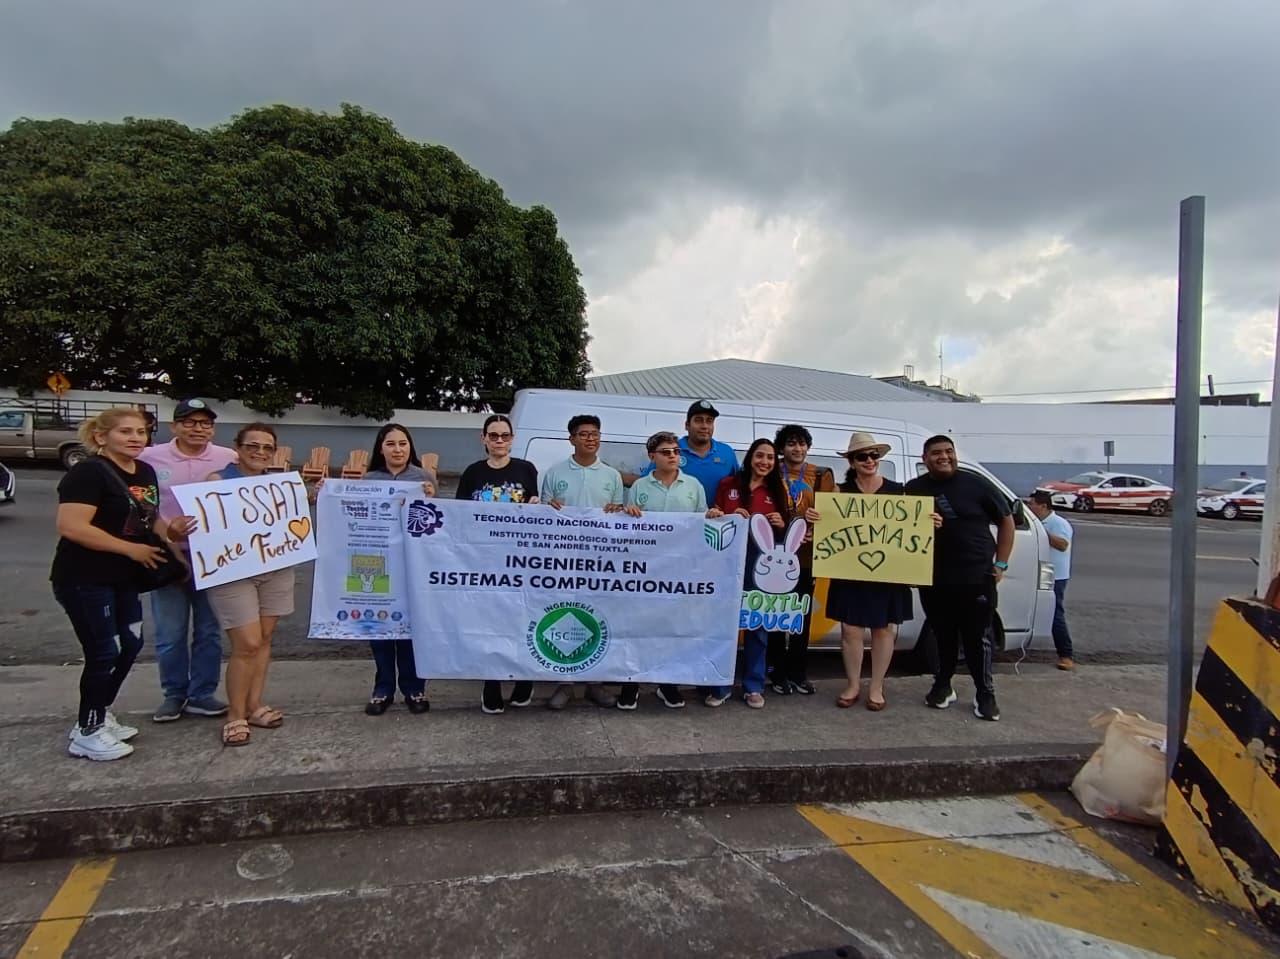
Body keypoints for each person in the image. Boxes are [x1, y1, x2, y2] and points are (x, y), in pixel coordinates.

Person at [52, 408, 186, 760]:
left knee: (129, 644)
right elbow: (72, 526)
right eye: (125, 431)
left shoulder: (144, 470)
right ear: (101, 436)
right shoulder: (88, 473)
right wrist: (131, 549)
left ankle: (99, 711)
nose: (135, 438)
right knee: (103, 651)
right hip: (84, 578)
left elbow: (149, 517)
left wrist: (174, 543)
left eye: (141, 432)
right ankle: (88, 729)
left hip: (124, 576)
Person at [138, 399, 236, 723]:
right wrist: (167, 532)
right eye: (190, 422)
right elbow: (140, 503)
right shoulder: (148, 458)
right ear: (174, 426)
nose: (198, 429)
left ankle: (202, 693)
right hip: (167, 554)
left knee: (209, 630)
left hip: (214, 555)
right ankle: (174, 694)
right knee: (170, 632)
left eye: (205, 424)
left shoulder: (227, 458)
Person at [905, 435, 1015, 722]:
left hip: (976, 575)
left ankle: (985, 694)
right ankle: (943, 686)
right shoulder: (913, 489)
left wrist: (1001, 563)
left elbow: (1007, 520)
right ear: (924, 458)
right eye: (936, 453)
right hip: (935, 577)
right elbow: (902, 531)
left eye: (948, 451)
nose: (944, 457)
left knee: (977, 638)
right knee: (942, 636)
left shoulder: (975, 483)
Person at [202, 424, 298, 746]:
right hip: (234, 572)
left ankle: (255, 704)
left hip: (276, 568)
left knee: (265, 638)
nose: (259, 452)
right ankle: (236, 715)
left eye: (267, 447)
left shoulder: (278, 484)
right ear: (238, 448)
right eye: (252, 446)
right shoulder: (217, 482)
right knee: (247, 644)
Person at [811, 432, 920, 712]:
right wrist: (814, 520)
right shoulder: (839, 493)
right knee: (850, 629)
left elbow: (914, 528)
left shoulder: (900, 491)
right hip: (849, 571)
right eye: (862, 456)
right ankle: (853, 684)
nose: (869, 460)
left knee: (884, 629)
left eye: (874, 455)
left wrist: (929, 520)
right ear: (851, 461)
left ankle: (876, 686)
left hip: (887, 571)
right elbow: (824, 531)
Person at [619, 431, 725, 710]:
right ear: (652, 456)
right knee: (637, 627)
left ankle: (668, 684)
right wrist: (628, 512)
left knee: (672, 628)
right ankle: (630, 684)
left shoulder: (693, 486)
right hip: (645, 571)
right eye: (666, 452)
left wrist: (711, 516)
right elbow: (628, 526)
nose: (672, 456)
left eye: (676, 451)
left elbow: (701, 522)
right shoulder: (640, 487)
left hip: (679, 572)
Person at [540, 414, 635, 710]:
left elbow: (619, 517)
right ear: (572, 439)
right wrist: (549, 507)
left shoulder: (611, 476)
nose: (590, 439)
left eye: (595, 433)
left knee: (598, 617)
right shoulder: (555, 473)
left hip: (600, 563)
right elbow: (542, 517)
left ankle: (596, 682)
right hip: (564, 561)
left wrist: (617, 509)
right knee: (565, 616)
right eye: (584, 434)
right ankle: (565, 684)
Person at [455, 414, 540, 714]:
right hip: (484, 563)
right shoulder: (472, 473)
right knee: (488, 625)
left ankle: (523, 680)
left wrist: (536, 506)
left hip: (521, 563)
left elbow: (537, 511)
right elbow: (459, 517)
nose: (499, 441)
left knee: (520, 622)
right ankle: (491, 684)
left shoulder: (527, 469)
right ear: (484, 439)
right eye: (494, 436)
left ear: (513, 439)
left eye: (505, 436)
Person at [361, 423, 438, 716]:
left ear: (410, 447)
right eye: (391, 444)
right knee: (380, 627)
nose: (397, 449)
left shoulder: (422, 478)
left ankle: (414, 688)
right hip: (376, 564)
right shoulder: (368, 480)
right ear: (381, 448)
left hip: (412, 564)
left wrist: (432, 499)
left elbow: (435, 524)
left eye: (403, 444)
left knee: (409, 630)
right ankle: (382, 690)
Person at [711, 438, 791, 709]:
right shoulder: (729, 485)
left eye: (770, 458)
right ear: (750, 458)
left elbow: (787, 536)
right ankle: (720, 684)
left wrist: (782, 524)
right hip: (727, 565)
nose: (765, 462)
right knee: (725, 626)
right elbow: (715, 517)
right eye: (760, 456)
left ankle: (754, 686)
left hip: (763, 569)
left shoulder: (778, 491)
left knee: (757, 626)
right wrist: (719, 514)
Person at [768, 424, 836, 696]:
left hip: (806, 558)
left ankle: (798, 672)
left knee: (801, 618)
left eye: (801, 444)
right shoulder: (772, 470)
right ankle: (777, 672)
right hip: (774, 557)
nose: (797, 449)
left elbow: (833, 514)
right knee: (776, 616)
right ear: (781, 448)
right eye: (791, 444)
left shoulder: (821, 475)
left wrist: (815, 532)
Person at [632, 400, 738, 504]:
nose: (704, 426)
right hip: (680, 518)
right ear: (687, 425)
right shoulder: (671, 450)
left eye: (709, 421)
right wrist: (619, 477)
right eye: (698, 420)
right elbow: (646, 482)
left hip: (718, 519)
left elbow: (742, 484)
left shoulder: (727, 452)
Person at [1027, 490, 1075, 671]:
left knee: (1055, 614)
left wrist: (1041, 533)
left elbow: (1063, 545)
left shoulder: (1058, 523)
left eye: (1032, 504)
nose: (1029, 507)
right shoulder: (1038, 522)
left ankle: (1066, 654)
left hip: (1055, 575)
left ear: (1043, 506)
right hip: (1039, 570)